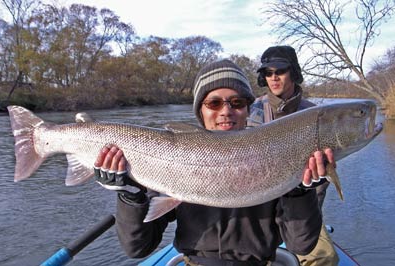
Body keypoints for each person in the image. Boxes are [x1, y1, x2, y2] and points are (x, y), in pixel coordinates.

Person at [93, 59, 329, 265]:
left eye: (236, 103)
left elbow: (301, 245)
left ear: (247, 109)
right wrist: (130, 195)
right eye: (214, 104)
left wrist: (300, 192)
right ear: (200, 111)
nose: (226, 111)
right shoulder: (171, 159)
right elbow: (137, 248)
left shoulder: (277, 155)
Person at [248, 45, 339, 266]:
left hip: (301, 207)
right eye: (267, 73)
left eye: (280, 70)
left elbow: (322, 182)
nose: (273, 77)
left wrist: (304, 209)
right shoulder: (250, 110)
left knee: (324, 257)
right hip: (255, 204)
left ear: (294, 73)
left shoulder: (317, 116)